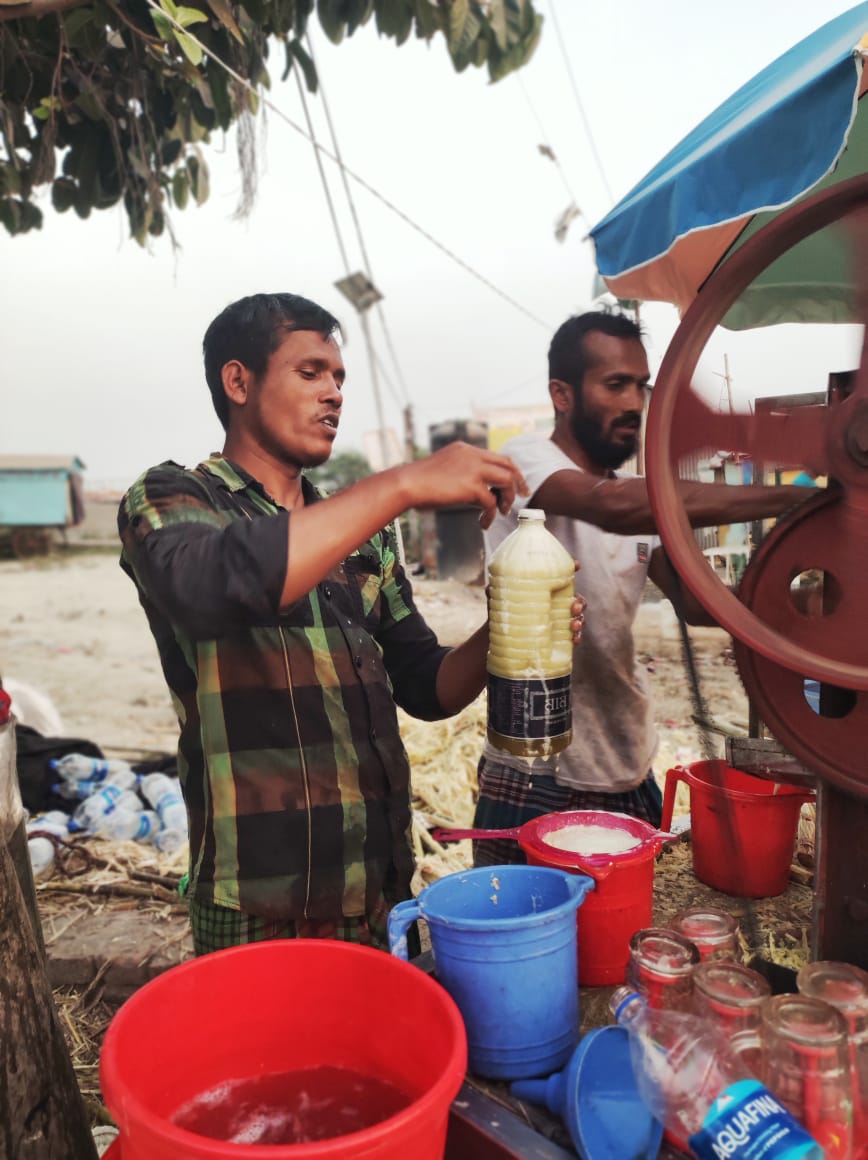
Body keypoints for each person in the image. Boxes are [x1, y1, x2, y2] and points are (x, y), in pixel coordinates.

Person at [118, 292, 582, 956]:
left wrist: (510, 629)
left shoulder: (363, 537)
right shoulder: (174, 497)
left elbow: (425, 685)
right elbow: (206, 587)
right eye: (310, 372)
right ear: (238, 382)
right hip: (257, 904)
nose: (334, 393)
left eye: (339, 378)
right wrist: (403, 483)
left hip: (379, 891)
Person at [473, 310, 811, 867]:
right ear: (562, 394)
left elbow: (697, 604)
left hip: (626, 765)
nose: (634, 403)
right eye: (615, 385)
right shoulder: (527, 462)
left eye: (641, 385)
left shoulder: (639, 497)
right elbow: (610, 507)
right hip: (538, 769)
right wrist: (798, 499)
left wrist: (808, 604)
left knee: (633, 917)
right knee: (525, 917)